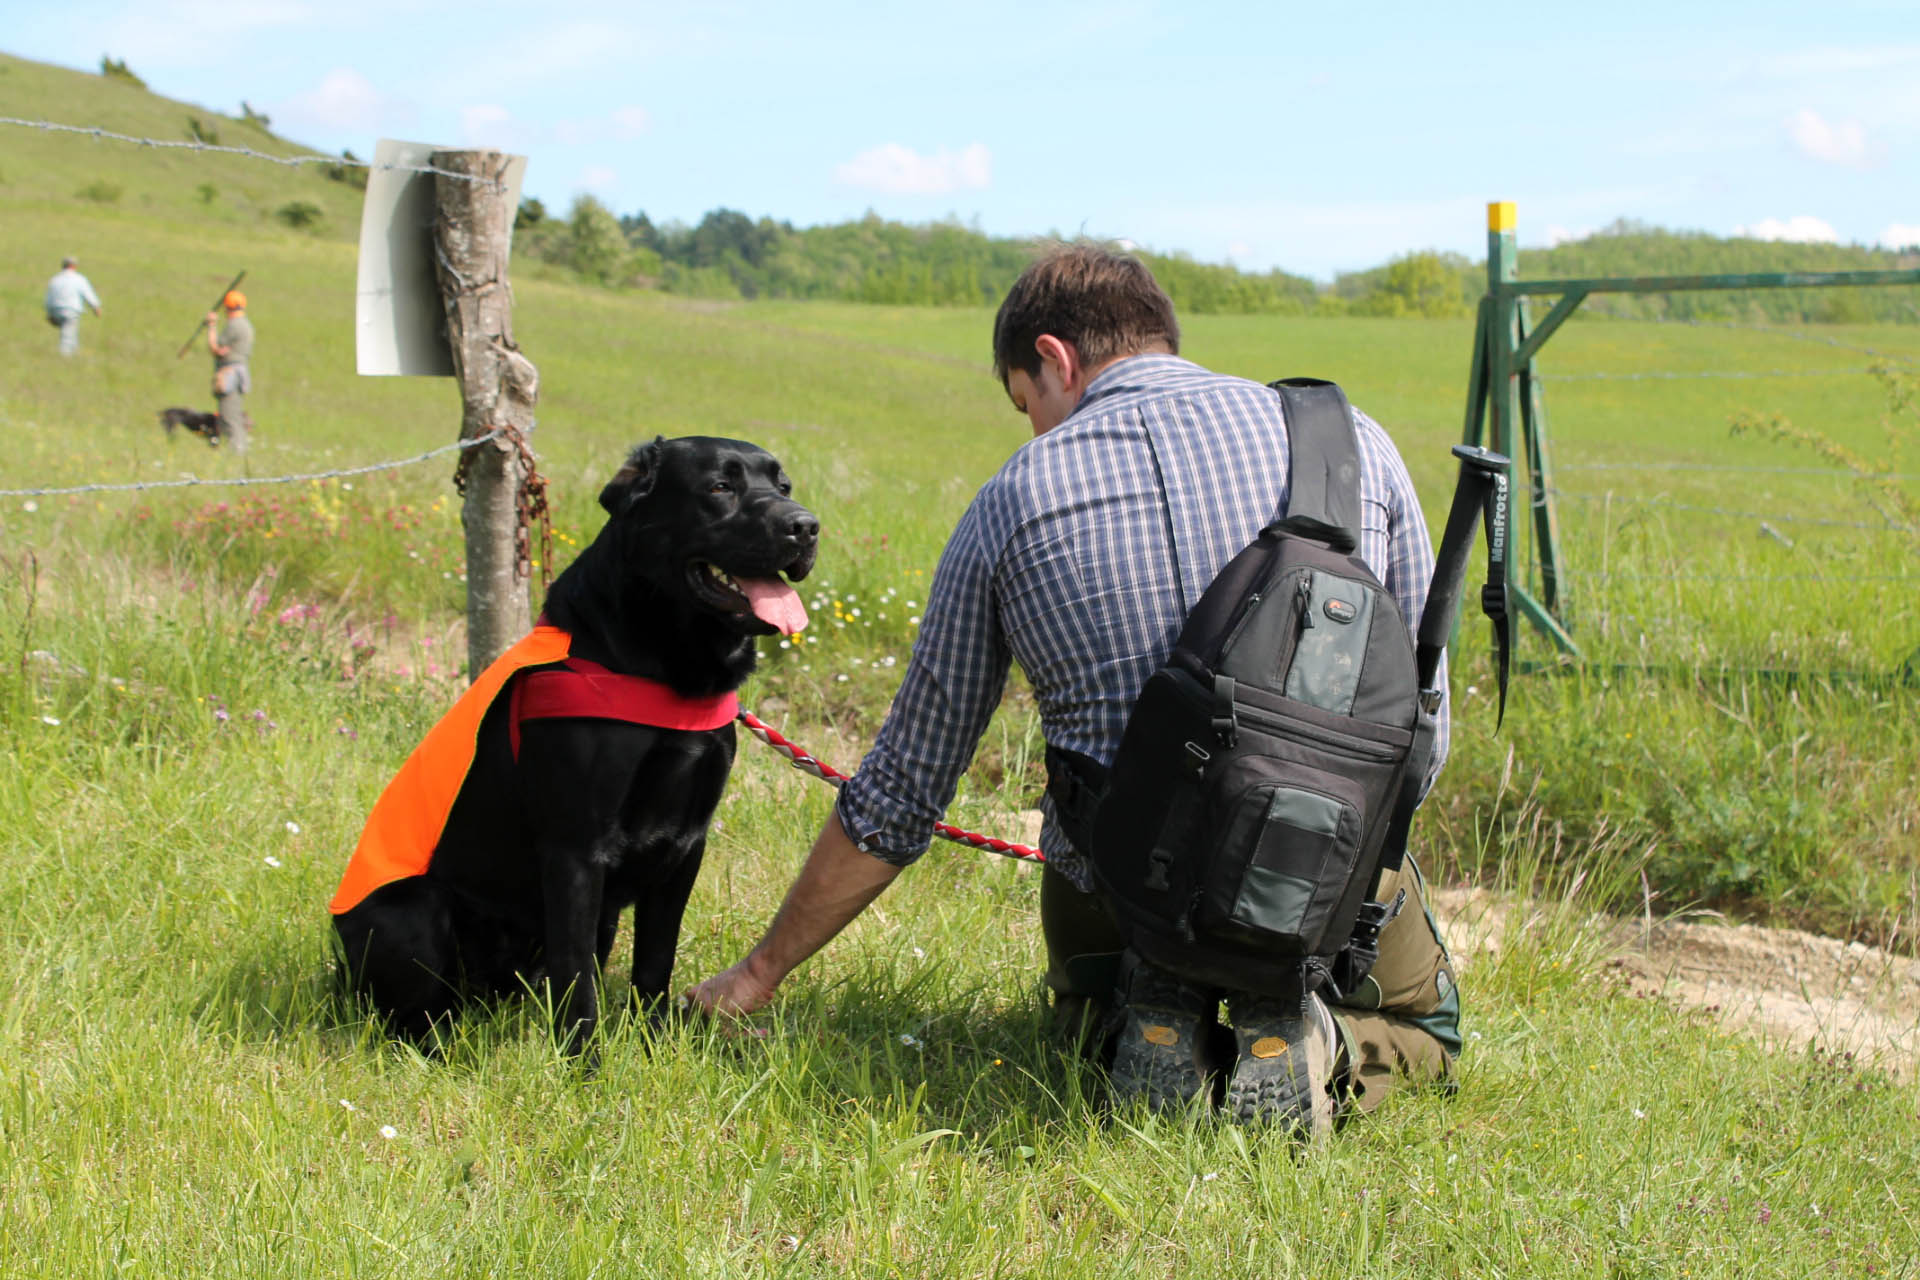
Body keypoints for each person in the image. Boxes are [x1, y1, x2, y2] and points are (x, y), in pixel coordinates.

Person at [688, 244, 1460, 1133]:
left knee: (1087, 1014)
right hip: (1317, 873)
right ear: (1162, 336)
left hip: (1125, 890)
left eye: (1027, 405)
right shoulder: (1351, 441)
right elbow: (1420, 733)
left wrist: (757, 975)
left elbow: (904, 789)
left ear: (1053, 359)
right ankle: (1321, 1039)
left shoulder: (1010, 501)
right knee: (1426, 1028)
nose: (1033, 430)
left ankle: (1127, 1025)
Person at [206, 290, 256, 453]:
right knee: (233, 414)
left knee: (228, 415)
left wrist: (211, 325)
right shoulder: (246, 324)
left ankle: (236, 451)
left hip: (230, 374)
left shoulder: (234, 325)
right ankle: (237, 449)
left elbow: (216, 348)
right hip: (239, 373)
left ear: (227, 307)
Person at [44, 257, 103, 356]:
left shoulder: (55, 279)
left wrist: (49, 312)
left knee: (71, 333)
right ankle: (65, 356)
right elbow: (87, 293)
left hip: (56, 310)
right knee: (67, 335)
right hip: (71, 310)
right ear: (74, 266)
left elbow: (48, 298)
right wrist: (95, 307)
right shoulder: (79, 279)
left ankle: (74, 354)